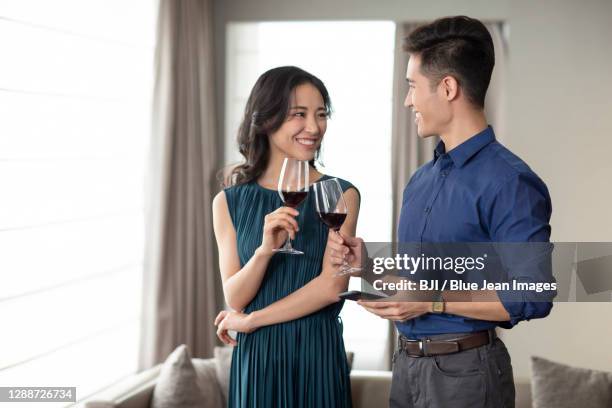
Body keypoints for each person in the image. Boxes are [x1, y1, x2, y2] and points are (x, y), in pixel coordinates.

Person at [329, 16, 554, 408]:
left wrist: (432, 301)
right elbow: (417, 284)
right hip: (407, 368)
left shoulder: (510, 181)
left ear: (448, 87)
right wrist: (367, 266)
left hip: (468, 375)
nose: (407, 100)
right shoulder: (421, 181)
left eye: (413, 86)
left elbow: (535, 292)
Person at [212, 66, 360, 408]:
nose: (314, 127)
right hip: (258, 359)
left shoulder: (340, 194)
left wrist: (251, 320)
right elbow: (235, 295)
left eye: (321, 115)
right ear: (266, 119)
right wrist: (264, 251)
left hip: (316, 352)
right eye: (299, 114)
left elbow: (331, 286)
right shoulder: (228, 202)